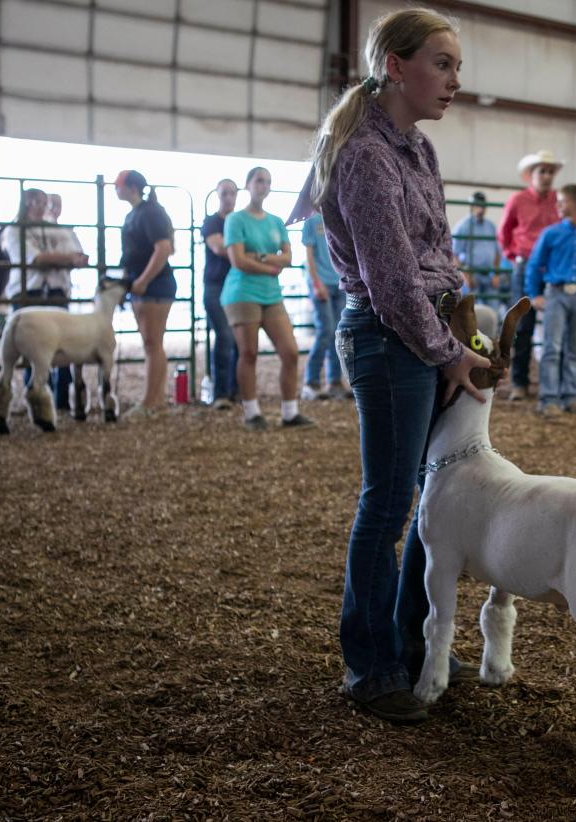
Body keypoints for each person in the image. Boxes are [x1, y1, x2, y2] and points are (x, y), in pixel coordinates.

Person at [295, 7, 488, 723]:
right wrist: (449, 352)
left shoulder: (416, 148)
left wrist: (457, 323)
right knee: (388, 502)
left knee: (423, 496)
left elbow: (434, 252)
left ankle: (408, 646)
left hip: (425, 334)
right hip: (390, 338)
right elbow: (391, 280)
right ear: (396, 66)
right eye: (443, 64)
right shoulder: (367, 156)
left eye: (457, 67)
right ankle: (369, 666)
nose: (454, 81)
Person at [220, 167, 312, 430]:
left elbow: (288, 257)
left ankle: (290, 412)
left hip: (270, 293)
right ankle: (251, 412)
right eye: (259, 180)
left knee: (290, 352)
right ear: (248, 185)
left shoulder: (275, 222)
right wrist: (271, 264)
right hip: (242, 293)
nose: (264, 186)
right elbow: (238, 261)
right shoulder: (235, 220)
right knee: (248, 353)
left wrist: (258, 258)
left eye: (268, 182)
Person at [2, 188, 87, 408]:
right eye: (39, 202)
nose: (44, 206)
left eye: (45, 202)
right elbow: (36, 258)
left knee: (64, 346)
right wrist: (66, 258)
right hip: (29, 294)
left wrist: (63, 258)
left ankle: (61, 400)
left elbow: (79, 256)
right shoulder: (14, 230)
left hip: (56, 293)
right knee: (34, 349)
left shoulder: (58, 230)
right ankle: (39, 400)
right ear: (28, 203)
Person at [526, 183, 576, 416]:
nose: (558, 205)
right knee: (552, 346)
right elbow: (534, 263)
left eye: (563, 201)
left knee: (574, 348)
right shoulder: (551, 233)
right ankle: (549, 398)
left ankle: (570, 396)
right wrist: (535, 294)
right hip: (556, 293)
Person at [498, 149, 561, 401]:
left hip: (553, 268)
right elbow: (504, 232)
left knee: (557, 325)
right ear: (531, 175)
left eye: (550, 172)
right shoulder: (518, 200)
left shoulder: (559, 200)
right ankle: (519, 382)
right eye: (542, 171)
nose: (546, 176)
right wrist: (514, 255)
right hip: (526, 266)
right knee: (524, 324)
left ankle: (553, 384)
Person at [115, 169, 176, 417]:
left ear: (131, 187)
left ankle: (152, 401)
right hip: (143, 285)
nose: (115, 189)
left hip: (154, 285)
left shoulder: (150, 212)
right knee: (151, 343)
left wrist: (143, 279)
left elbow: (163, 248)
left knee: (153, 343)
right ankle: (156, 400)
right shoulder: (138, 213)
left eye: (118, 185)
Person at [301, 210, 349, 401]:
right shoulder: (312, 220)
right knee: (325, 330)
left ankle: (334, 382)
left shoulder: (339, 216)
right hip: (321, 283)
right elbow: (309, 256)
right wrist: (315, 282)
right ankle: (310, 382)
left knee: (338, 334)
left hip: (340, 282)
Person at [202, 178, 239, 410]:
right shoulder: (212, 221)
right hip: (217, 285)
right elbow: (220, 248)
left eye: (232, 193)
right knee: (225, 336)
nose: (228, 197)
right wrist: (247, 253)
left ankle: (236, 389)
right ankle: (221, 392)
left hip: (238, 285)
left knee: (238, 338)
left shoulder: (239, 220)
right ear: (218, 195)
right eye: (224, 193)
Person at [451, 191, 500, 303]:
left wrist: (496, 274)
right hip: (471, 274)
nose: (480, 208)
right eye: (477, 205)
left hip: (488, 275)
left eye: (482, 205)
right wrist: (466, 276)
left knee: (493, 311)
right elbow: (454, 254)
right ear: (471, 206)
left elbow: (497, 252)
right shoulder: (463, 226)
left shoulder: (490, 226)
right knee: (471, 312)